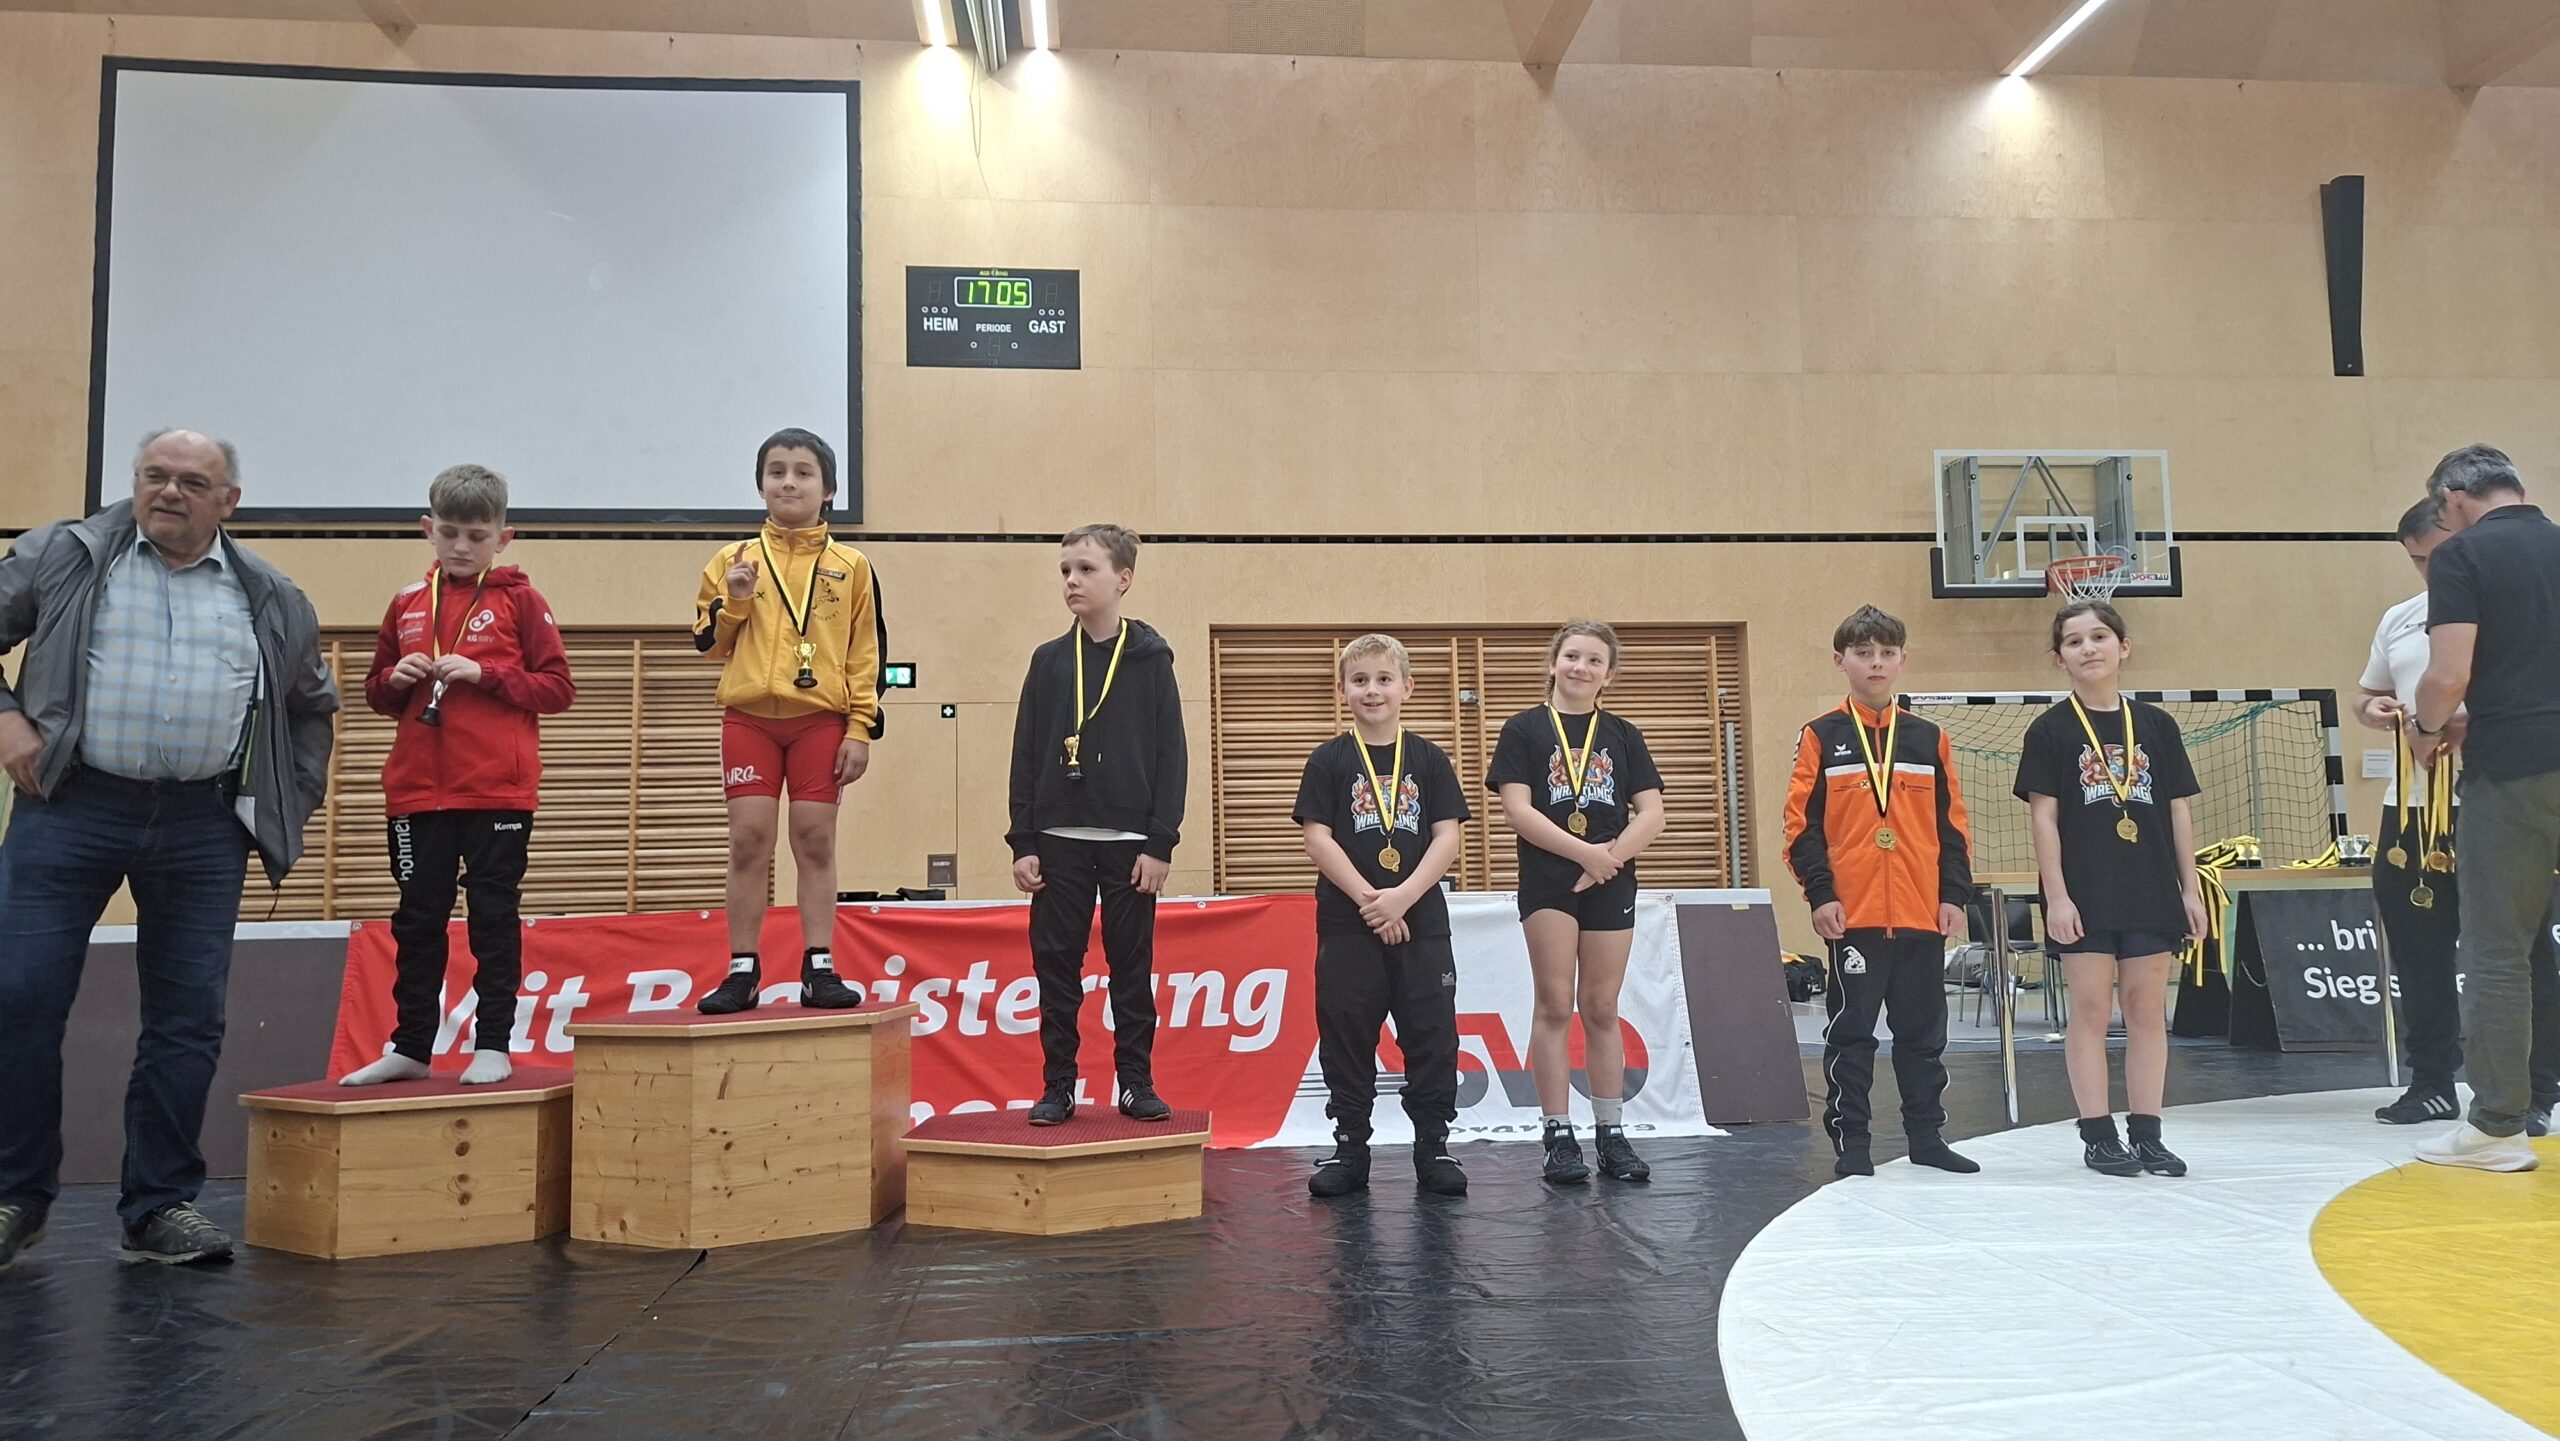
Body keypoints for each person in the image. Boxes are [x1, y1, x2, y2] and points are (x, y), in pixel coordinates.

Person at [0, 429, 336, 1269]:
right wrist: (6, 719)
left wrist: (284, 804)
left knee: (188, 1019)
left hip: (202, 824)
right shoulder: (66, 555)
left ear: (229, 501)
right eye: (155, 475)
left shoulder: (270, 594)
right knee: (19, 996)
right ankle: (15, 1195)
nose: (169, 492)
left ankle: (159, 1205)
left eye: (191, 481)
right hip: (69, 806)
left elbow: (310, 707)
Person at [341, 465, 574, 1087]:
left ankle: (493, 1043)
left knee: (492, 915)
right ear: (428, 529)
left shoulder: (521, 601)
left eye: (477, 535)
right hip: (417, 790)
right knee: (417, 918)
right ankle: (411, 1045)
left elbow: (557, 689)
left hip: (496, 789)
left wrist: (486, 674)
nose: (462, 546)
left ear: (504, 537)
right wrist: (393, 680)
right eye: (449, 533)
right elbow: (377, 694)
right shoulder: (407, 603)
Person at [690, 429, 885, 1014]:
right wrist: (736, 599)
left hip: (819, 723)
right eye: (776, 472)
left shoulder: (851, 566)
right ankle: (742, 970)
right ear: (760, 486)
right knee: (748, 840)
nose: (789, 482)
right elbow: (708, 644)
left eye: (803, 472)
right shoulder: (733, 560)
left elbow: (866, 654)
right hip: (749, 719)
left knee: (815, 840)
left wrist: (859, 728)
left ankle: (818, 966)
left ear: (829, 490)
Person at [1782, 605, 1981, 1179]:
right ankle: (1853, 1145)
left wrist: (1953, 895)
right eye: (1864, 653)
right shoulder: (1820, 736)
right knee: (1851, 1035)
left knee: (1924, 1036)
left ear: (1902, 660)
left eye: (1886, 653)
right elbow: (1800, 827)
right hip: (1854, 916)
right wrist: (1821, 895)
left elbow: (1953, 827)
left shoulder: (1929, 738)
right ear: (1840, 660)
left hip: (1922, 913)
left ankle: (1927, 1139)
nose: (1876, 663)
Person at [2015, 600, 2207, 1178]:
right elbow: (2044, 817)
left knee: (2148, 1010)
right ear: (2059, 659)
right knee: (2092, 1010)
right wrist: (2057, 896)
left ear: (2123, 647)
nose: (2088, 648)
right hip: (2085, 891)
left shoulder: (2157, 725)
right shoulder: (2049, 730)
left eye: (2099, 636)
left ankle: (2147, 1134)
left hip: (2151, 887)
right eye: (2074, 641)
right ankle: (2098, 1135)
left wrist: (2190, 889)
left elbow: (2177, 811)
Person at [1006, 524, 1186, 1126]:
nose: (1072, 581)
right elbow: (1026, 753)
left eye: (1086, 569)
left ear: (1123, 579)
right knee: (1056, 969)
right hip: (1057, 840)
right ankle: (1059, 1085)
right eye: (1065, 571)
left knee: (1131, 970)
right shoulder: (1049, 661)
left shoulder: (1151, 660)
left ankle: (1135, 1082)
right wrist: (1023, 840)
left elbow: (1171, 755)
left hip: (1131, 844)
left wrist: (1161, 841)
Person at [2411, 444, 2560, 1170]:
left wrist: (2427, 727)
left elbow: (2447, 676)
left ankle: (2498, 1128)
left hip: (2515, 770)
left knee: (2500, 948)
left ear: (2454, 498)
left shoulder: (2461, 556)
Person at [1488, 619, 1666, 1186]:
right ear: (1553, 662)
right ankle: (1558, 1133)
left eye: (1593, 660)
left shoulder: (1623, 734)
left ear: (1608, 674)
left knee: (1602, 1007)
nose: (1580, 668)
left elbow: (1652, 814)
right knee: (1555, 1005)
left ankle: (1611, 1132)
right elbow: (1517, 810)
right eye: (1571, 656)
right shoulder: (1524, 729)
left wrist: (1608, 860)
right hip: (1550, 882)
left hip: (1611, 878)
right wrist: (1584, 855)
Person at [1293, 634, 1470, 1199]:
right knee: (1346, 1032)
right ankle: (1350, 1147)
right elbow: (1317, 839)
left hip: (1422, 920)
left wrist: (1403, 898)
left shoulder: (1429, 759)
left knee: (1431, 1033)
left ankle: (1433, 1146)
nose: (1373, 690)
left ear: (1407, 688)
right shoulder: (1329, 760)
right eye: (1361, 680)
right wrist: (1374, 901)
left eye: (1384, 679)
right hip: (1349, 923)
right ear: (1342, 689)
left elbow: (1448, 837)